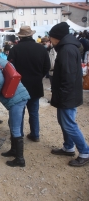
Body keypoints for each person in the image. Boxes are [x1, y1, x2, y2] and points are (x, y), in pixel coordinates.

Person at [48, 22, 89, 167]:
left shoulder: (67, 50)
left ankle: (85, 152)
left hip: (67, 95)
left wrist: (63, 96)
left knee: (69, 124)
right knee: (64, 122)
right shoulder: (68, 48)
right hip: (66, 94)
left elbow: (68, 76)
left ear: (56, 37)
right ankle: (68, 147)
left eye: (50, 37)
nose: (50, 40)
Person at [0, 46, 30, 167]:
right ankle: (14, 150)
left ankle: (20, 159)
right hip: (21, 95)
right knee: (14, 124)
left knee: (15, 127)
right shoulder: (3, 60)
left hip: (15, 98)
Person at [8, 26, 50, 142]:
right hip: (35, 85)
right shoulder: (41, 49)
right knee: (34, 112)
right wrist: (38, 76)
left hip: (19, 86)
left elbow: (10, 69)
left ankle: (19, 136)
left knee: (19, 113)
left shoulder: (14, 50)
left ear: (20, 37)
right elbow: (47, 66)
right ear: (31, 35)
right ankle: (35, 134)